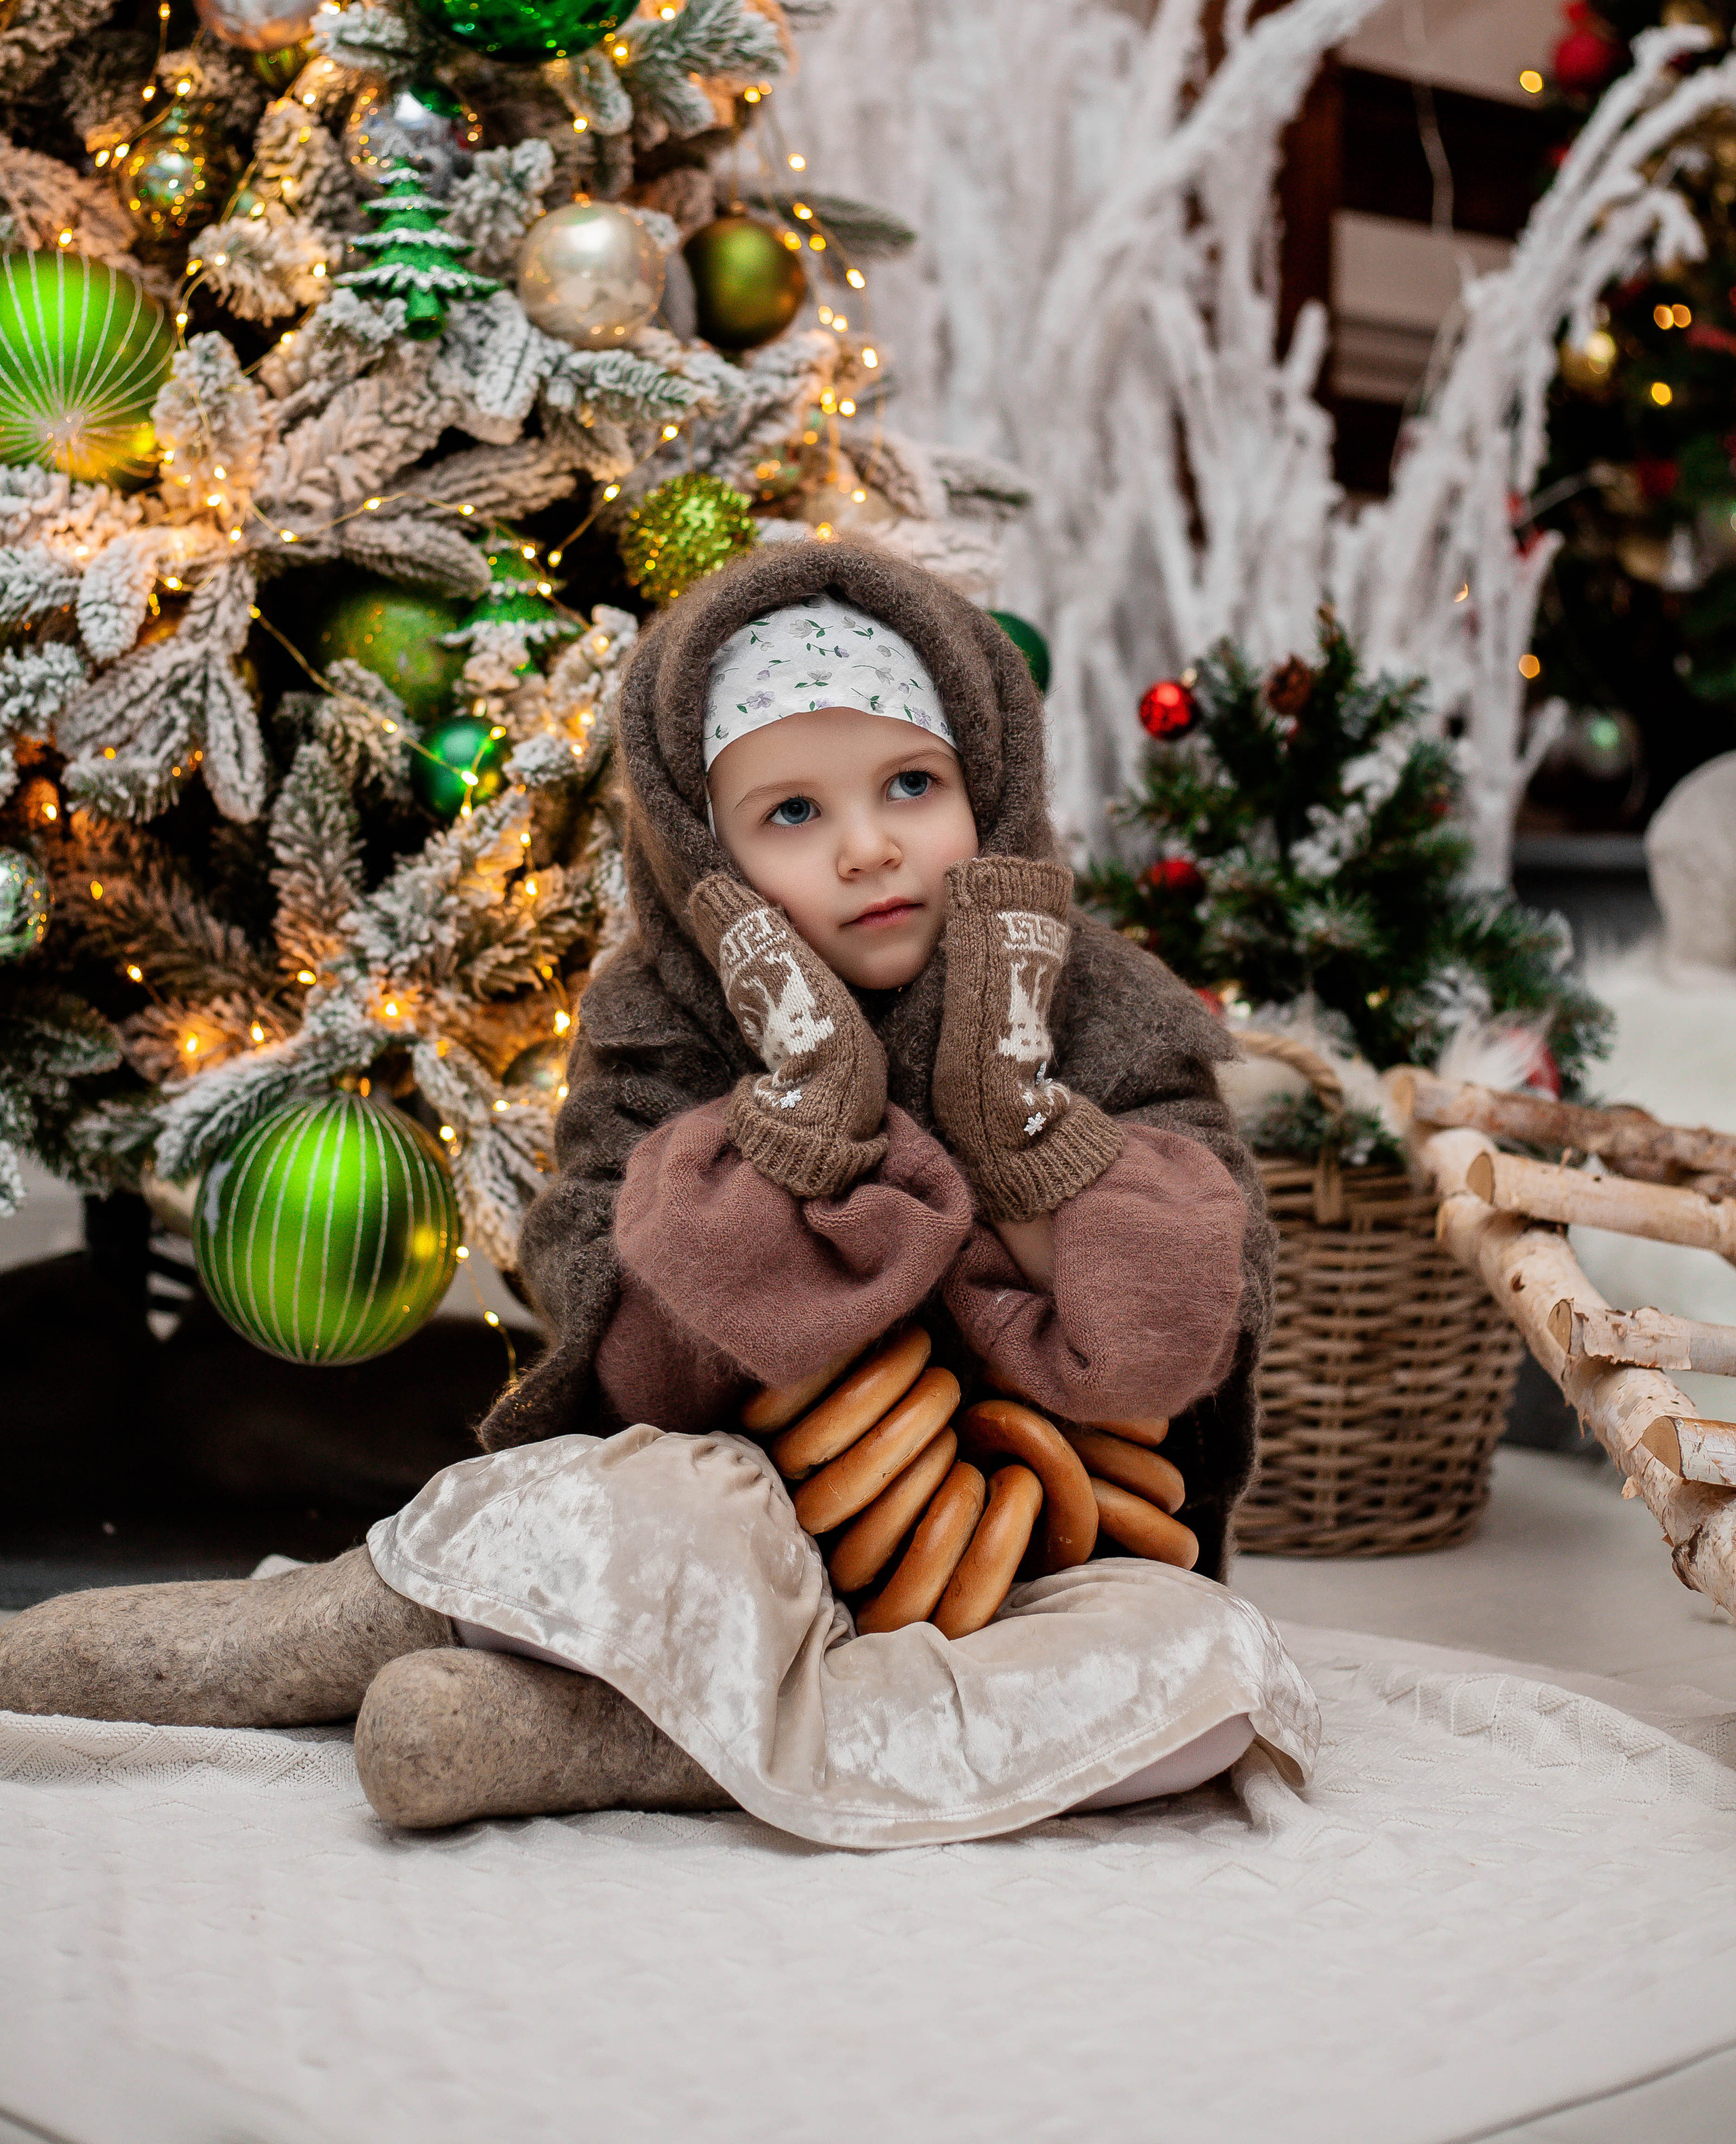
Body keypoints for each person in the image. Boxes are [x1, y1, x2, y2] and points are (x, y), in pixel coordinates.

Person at [0, 544, 1316, 1840]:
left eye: (910, 784)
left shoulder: (1106, 1004)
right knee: (615, 1508)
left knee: (1198, 1672)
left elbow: (1167, 1343)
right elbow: (619, 1343)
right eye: (791, 814)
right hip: (736, 1513)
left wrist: (1012, 1117)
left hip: (1035, 1570)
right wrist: (801, 1125)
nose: (866, 848)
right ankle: (331, 1628)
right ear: (706, 856)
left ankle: (622, 1740)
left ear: (991, 777)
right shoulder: (664, 1014)